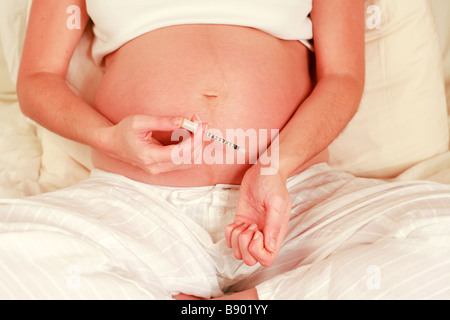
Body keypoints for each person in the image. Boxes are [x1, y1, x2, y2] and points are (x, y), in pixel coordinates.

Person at [9, 0, 443, 300]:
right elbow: (38, 79)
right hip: (136, 205)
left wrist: (275, 168)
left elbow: (343, 77)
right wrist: (107, 138)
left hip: (298, 202)